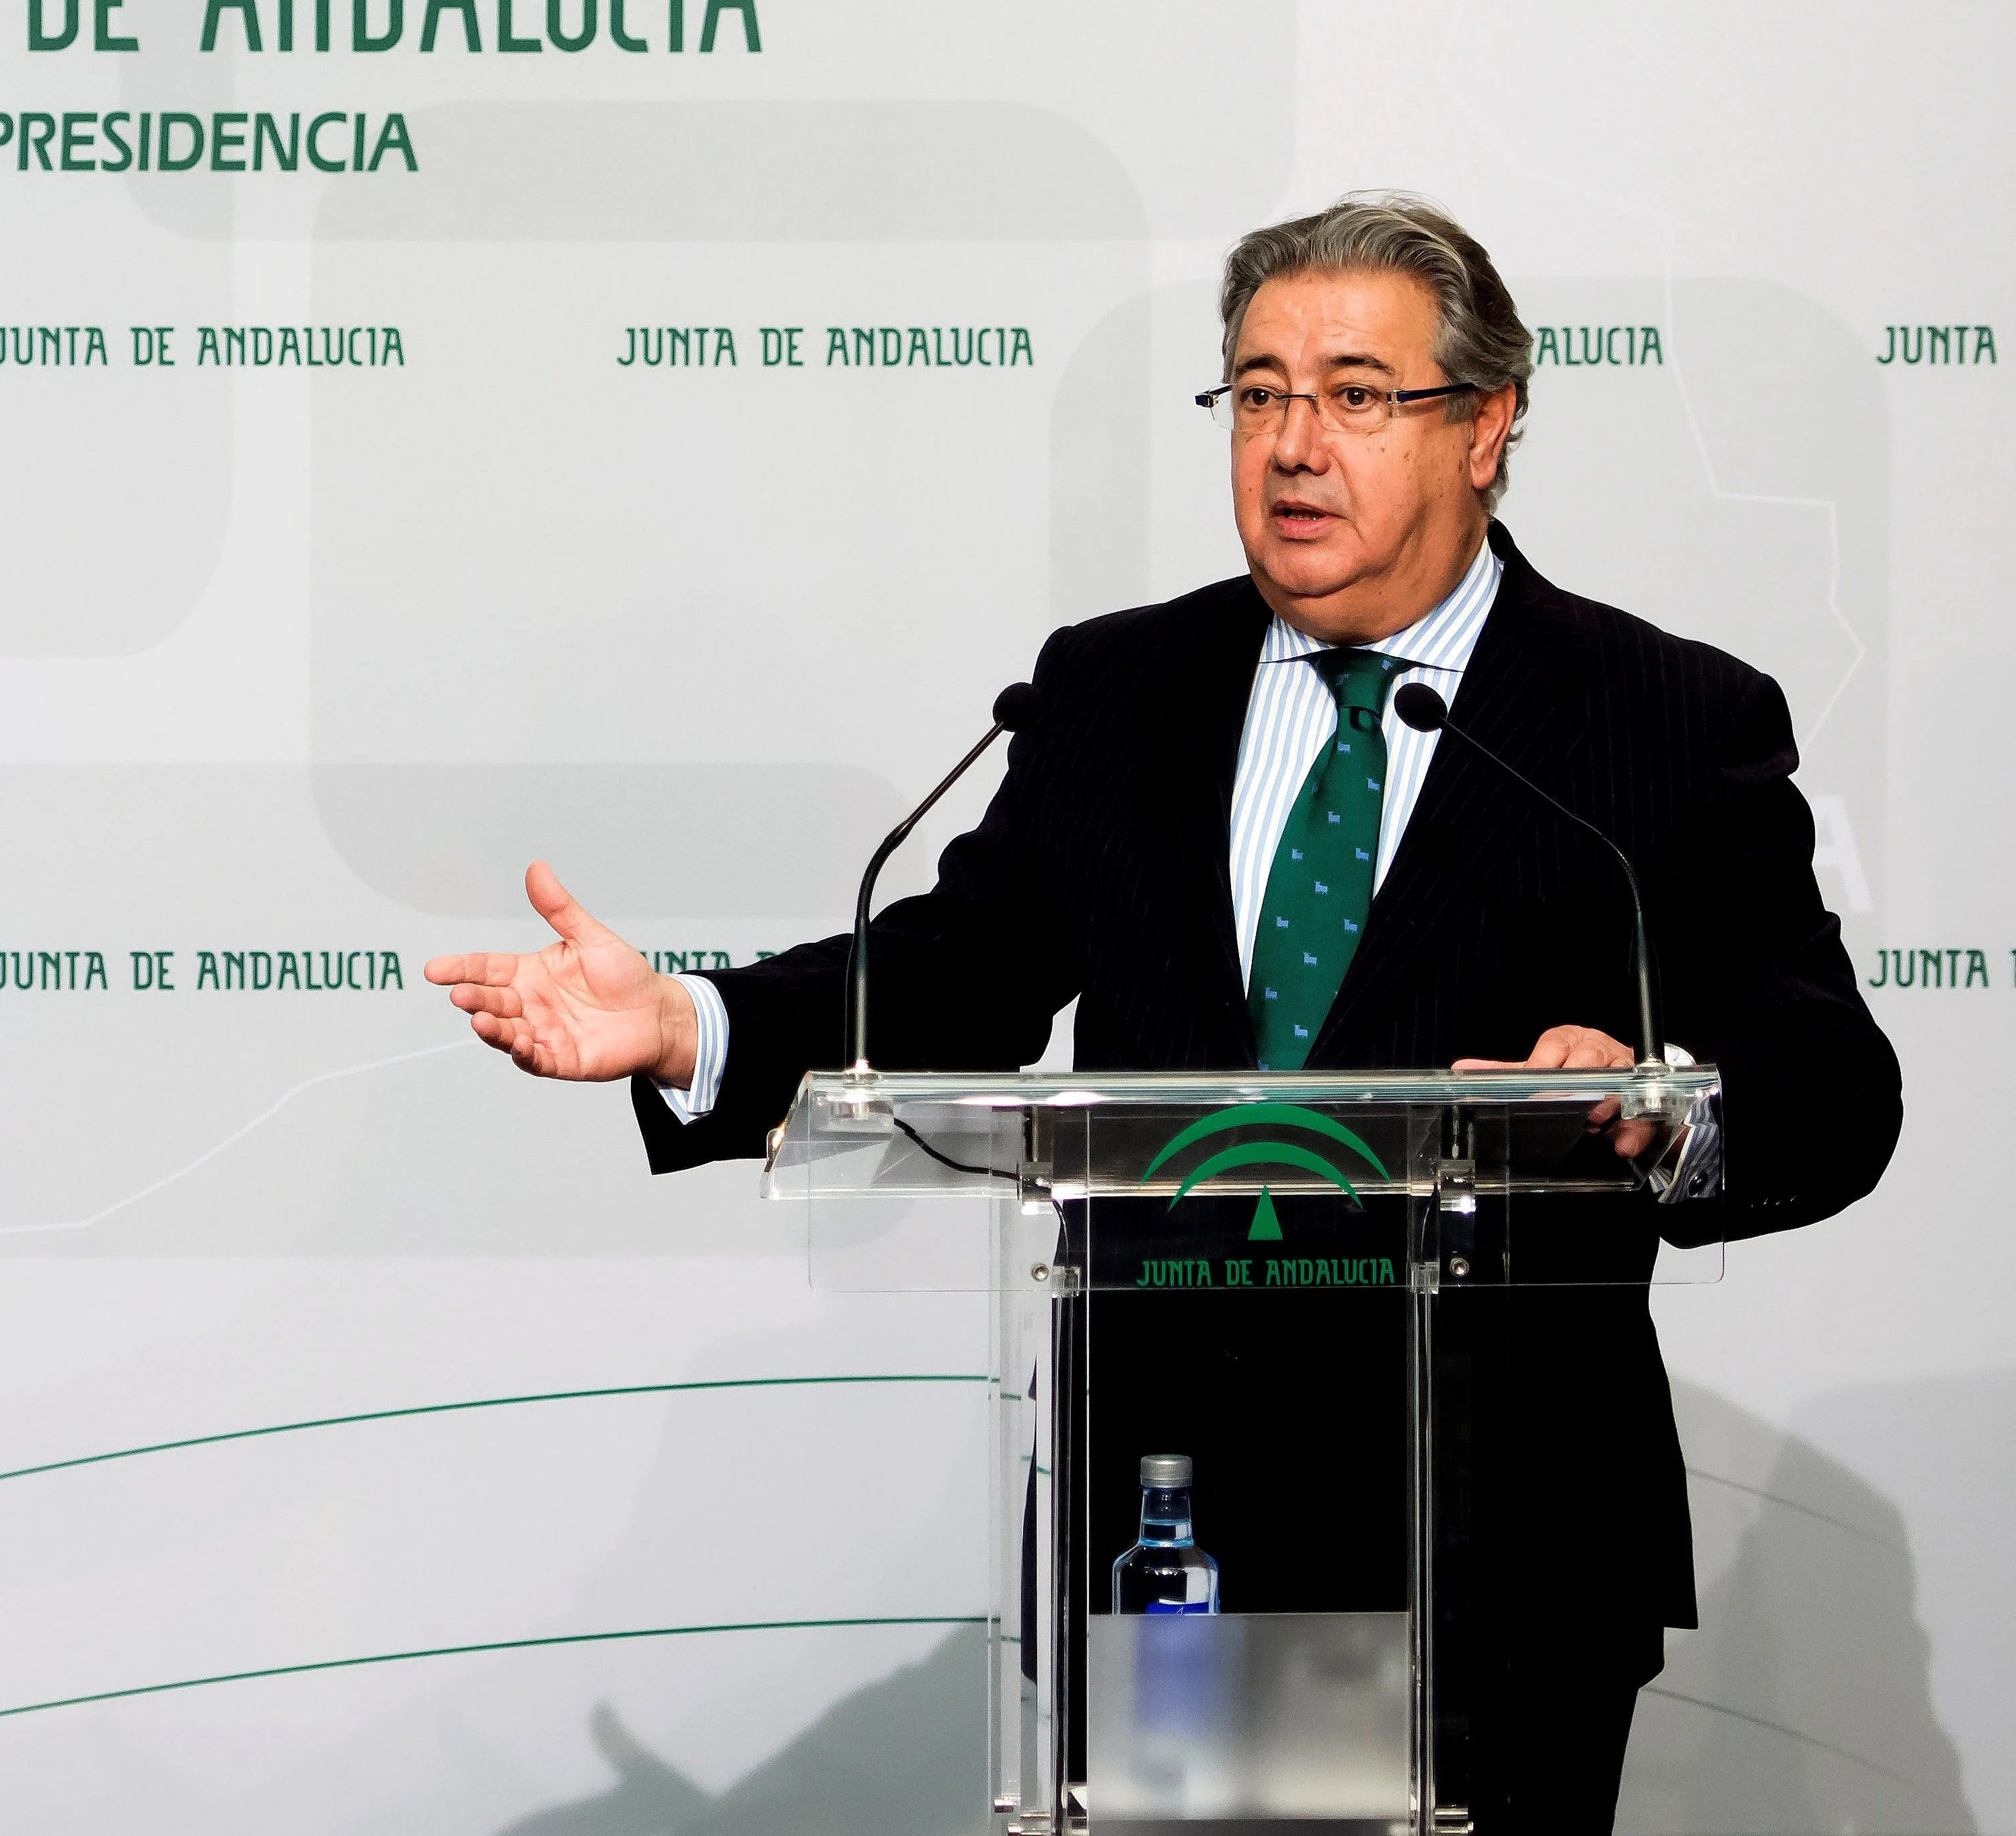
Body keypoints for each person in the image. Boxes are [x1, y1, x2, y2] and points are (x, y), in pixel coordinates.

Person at [422, 193, 1900, 1836]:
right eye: (1258, 392)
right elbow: (956, 973)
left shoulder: (1662, 715)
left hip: (1507, 1547)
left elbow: (1832, 1075)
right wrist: (693, 1022)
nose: (1293, 443)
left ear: (1488, 426)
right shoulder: (1118, 691)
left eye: (1357, 393)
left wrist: (1666, 1093)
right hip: (1175, 1530)